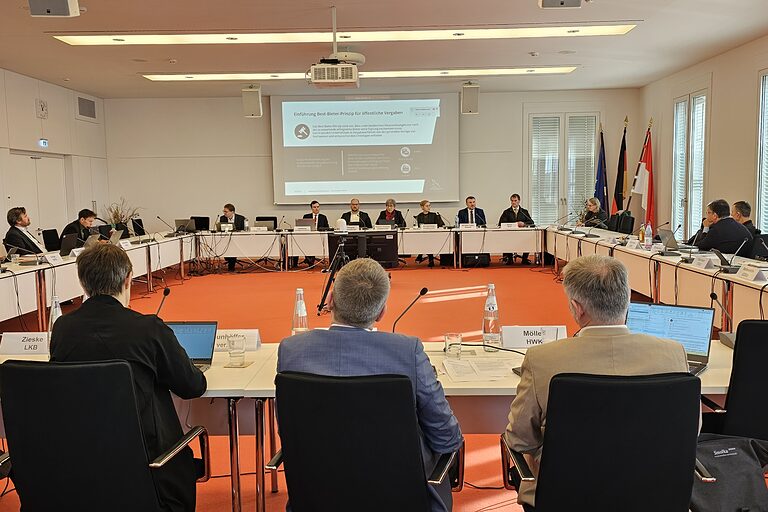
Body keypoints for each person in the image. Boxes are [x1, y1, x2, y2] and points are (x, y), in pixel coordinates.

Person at [504, 254, 693, 510]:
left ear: (577, 307)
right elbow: (689, 430)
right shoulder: (673, 353)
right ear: (627, 298)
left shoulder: (542, 359)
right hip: (653, 495)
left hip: (565, 497)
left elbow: (519, 440)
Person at [277, 258, 463, 512]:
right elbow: (446, 438)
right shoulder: (407, 351)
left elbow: (292, 430)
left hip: (317, 495)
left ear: (329, 300)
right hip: (400, 499)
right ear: (382, 312)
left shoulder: (291, 350)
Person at [50, 244, 207, 512]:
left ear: (82, 282)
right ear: (127, 279)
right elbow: (193, 386)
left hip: (80, 465)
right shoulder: (148, 328)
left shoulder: (63, 328)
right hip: (149, 466)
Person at [499, 194, 535, 265]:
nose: (513, 202)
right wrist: (513, 224)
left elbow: (531, 222)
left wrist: (524, 224)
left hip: (522, 235)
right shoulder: (506, 212)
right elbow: (501, 223)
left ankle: (524, 259)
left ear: (519, 201)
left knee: (528, 239)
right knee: (506, 239)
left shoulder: (524, 212)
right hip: (510, 235)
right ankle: (509, 259)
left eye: (515, 201)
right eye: (512, 201)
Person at [414, 200, 445, 268]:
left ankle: (421, 256)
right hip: (423, 236)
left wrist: (439, 218)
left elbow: (441, 225)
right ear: (422, 207)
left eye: (429, 205)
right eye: (427, 206)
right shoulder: (419, 216)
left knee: (428, 240)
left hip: (433, 236)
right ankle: (429, 258)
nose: (429, 207)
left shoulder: (434, 215)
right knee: (425, 239)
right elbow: (418, 227)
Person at [299, 201, 329, 266]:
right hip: (308, 237)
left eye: (318, 207)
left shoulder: (323, 217)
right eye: (314, 207)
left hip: (319, 237)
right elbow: (303, 227)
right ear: (311, 208)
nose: (316, 208)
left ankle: (310, 260)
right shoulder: (306, 216)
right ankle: (309, 260)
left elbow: (327, 228)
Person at [220, 203, 246, 271]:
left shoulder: (241, 218)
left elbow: (243, 230)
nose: (224, 213)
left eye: (226, 211)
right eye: (224, 211)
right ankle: (230, 261)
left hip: (238, 238)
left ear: (232, 212)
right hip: (226, 238)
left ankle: (231, 264)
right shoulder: (222, 218)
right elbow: (221, 229)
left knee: (232, 246)